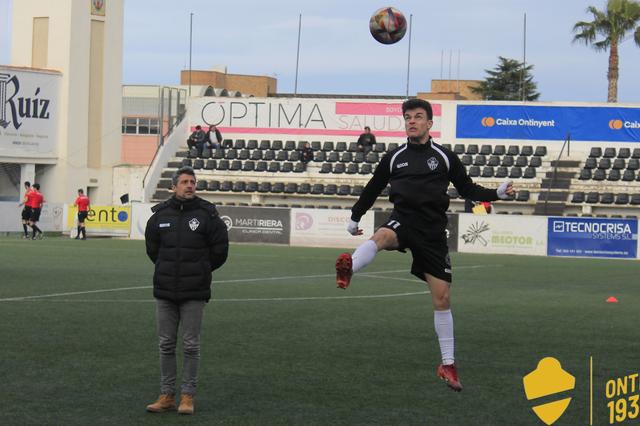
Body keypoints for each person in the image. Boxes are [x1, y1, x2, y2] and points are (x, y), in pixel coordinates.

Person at [334, 99, 514, 392]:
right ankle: (349, 267)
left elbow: (467, 189)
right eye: (408, 117)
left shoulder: (444, 157)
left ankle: (447, 364)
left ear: (430, 123)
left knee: (442, 299)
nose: (412, 121)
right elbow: (372, 188)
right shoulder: (394, 158)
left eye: (418, 117)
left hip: (432, 233)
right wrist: (355, 217)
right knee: (381, 237)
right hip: (403, 220)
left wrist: (497, 193)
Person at [145, 166, 229, 415]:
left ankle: (187, 397)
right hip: (165, 290)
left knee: (191, 345)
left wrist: (201, 269)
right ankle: (166, 395)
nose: (189, 185)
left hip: (194, 291)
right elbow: (153, 249)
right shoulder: (159, 215)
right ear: (173, 186)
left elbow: (220, 250)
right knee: (166, 345)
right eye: (184, 181)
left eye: (192, 181)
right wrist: (168, 269)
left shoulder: (207, 215)